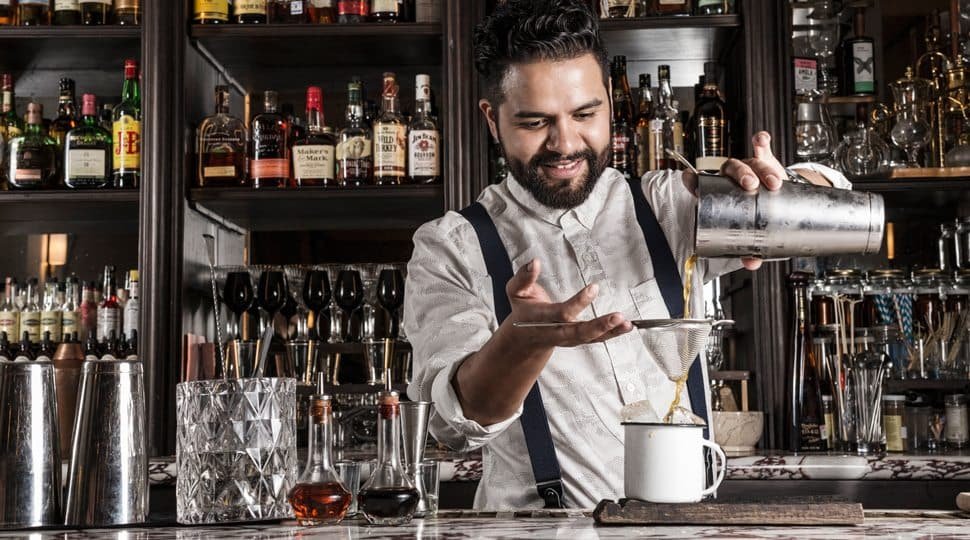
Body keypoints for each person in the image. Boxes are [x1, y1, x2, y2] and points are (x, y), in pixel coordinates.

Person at [403, 0, 849, 510]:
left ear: (610, 105)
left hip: (685, 526)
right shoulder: (450, 245)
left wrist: (781, 190)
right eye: (534, 122)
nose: (565, 143)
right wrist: (521, 342)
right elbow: (456, 425)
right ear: (492, 119)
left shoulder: (670, 207)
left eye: (585, 114)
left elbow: (838, 203)